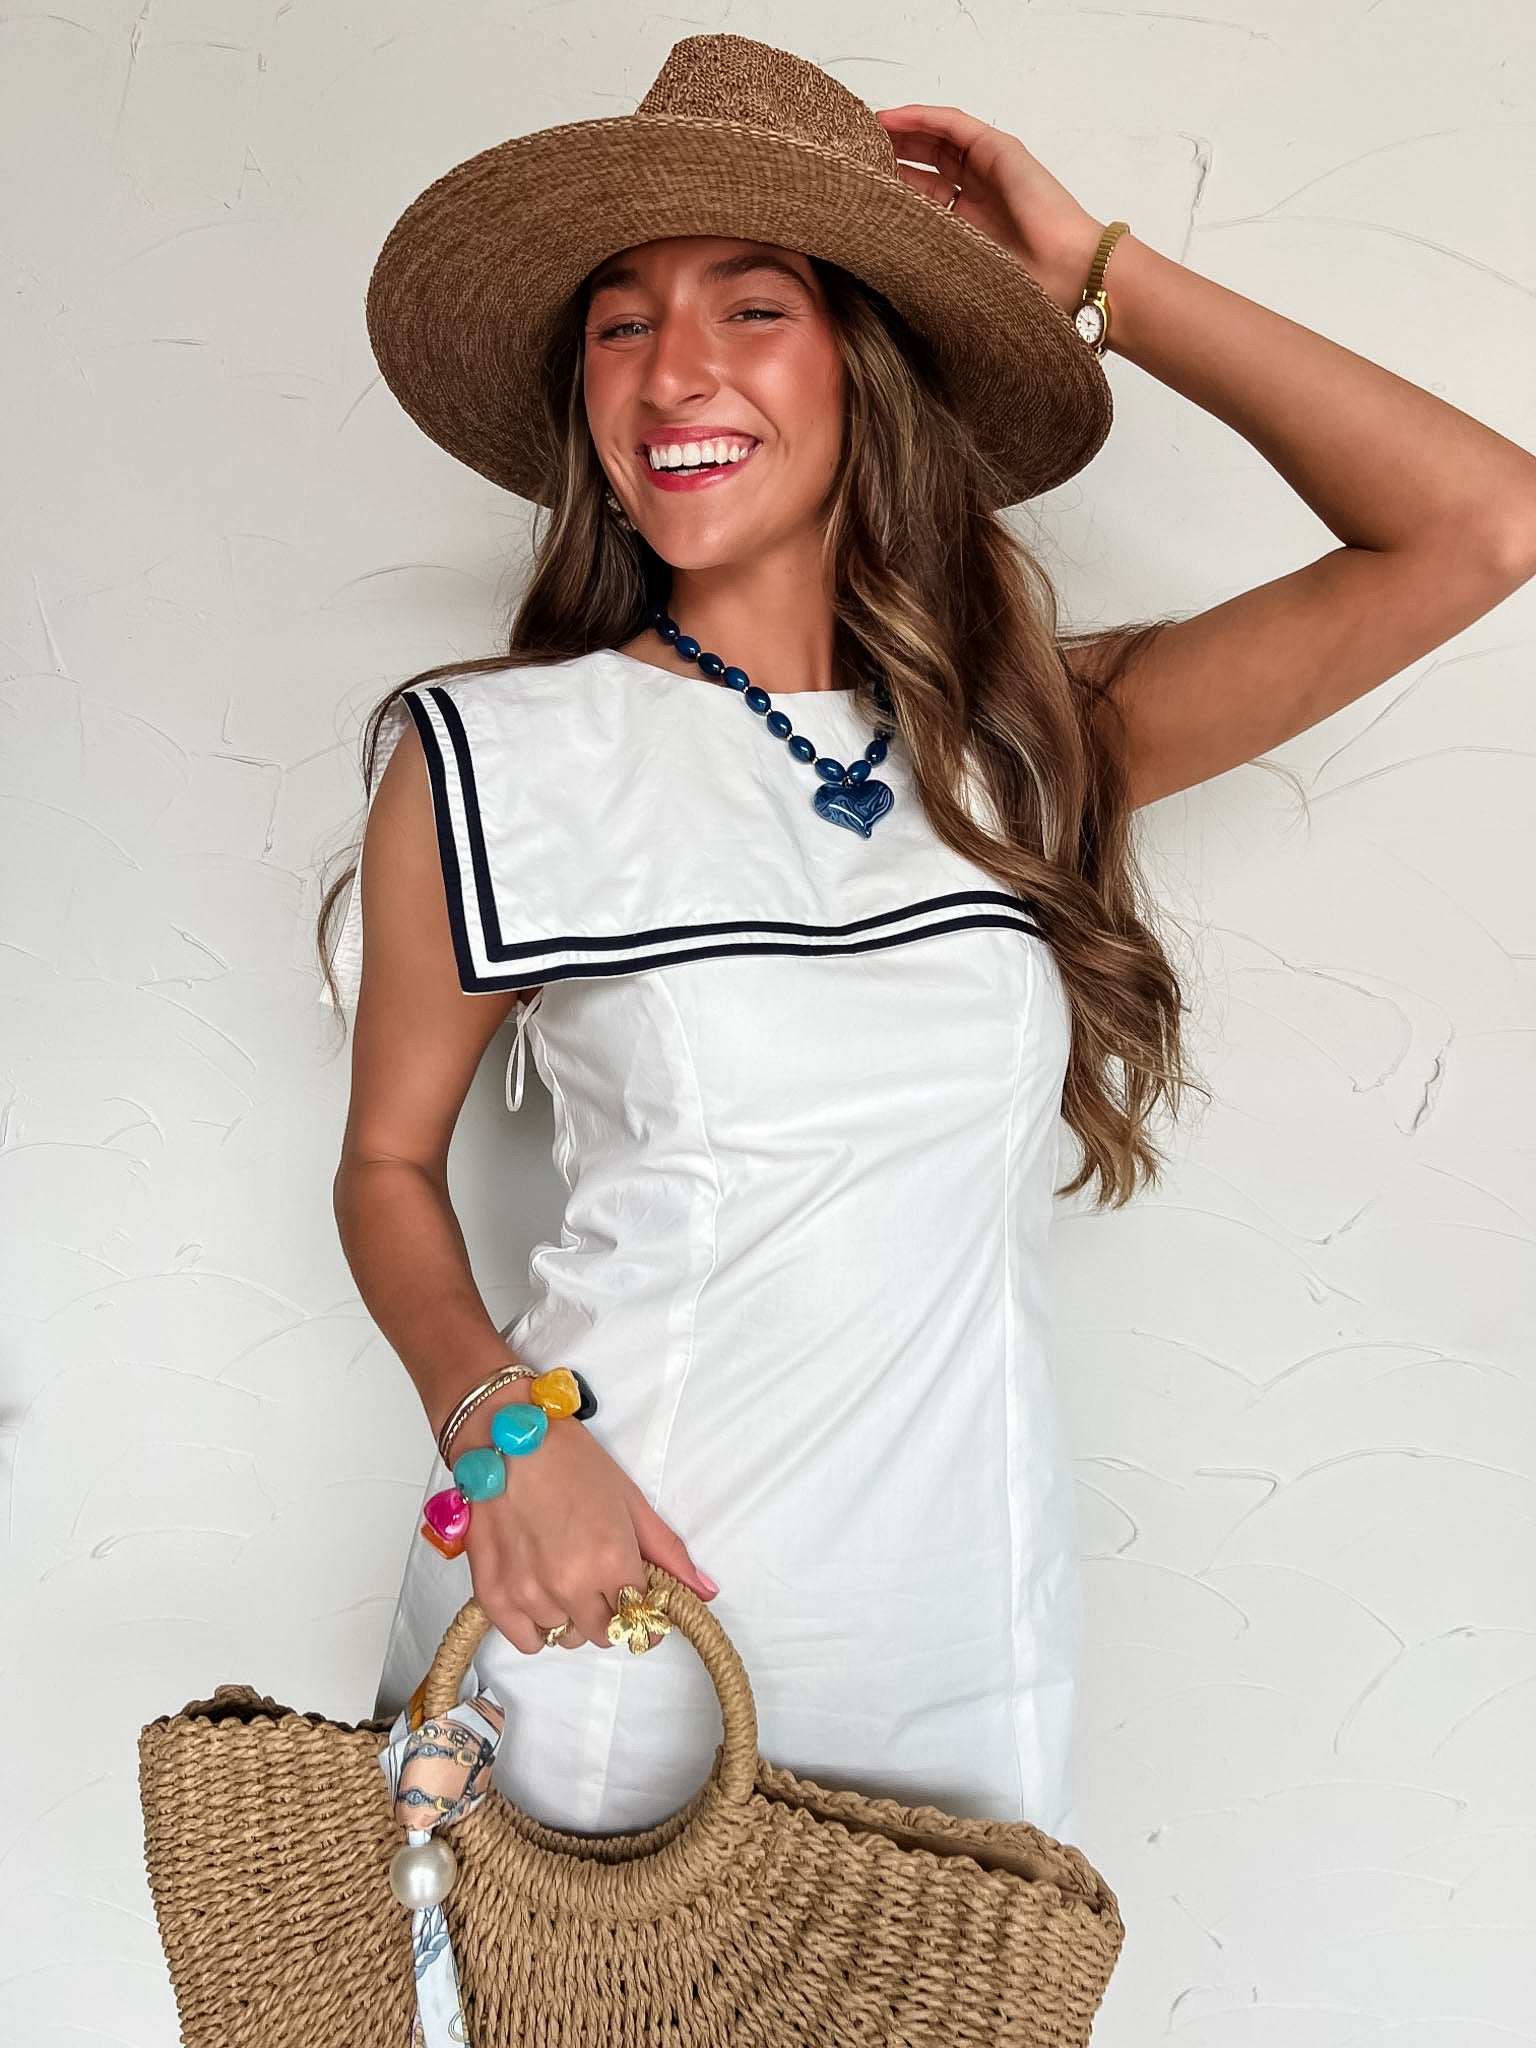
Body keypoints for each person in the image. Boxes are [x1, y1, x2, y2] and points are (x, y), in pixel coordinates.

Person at [319, 34, 1536, 1846]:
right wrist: (502, 1440)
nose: (677, 374)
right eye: (621, 322)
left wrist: (1099, 282)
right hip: (608, 1610)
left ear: (861, 366)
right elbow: (388, 1163)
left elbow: (1482, 522)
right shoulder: (494, 754)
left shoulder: (1030, 744)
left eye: (755, 308)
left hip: (960, 1632)